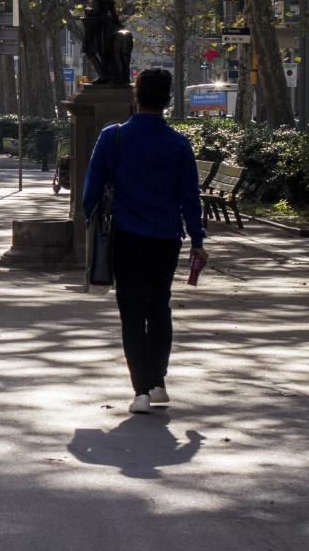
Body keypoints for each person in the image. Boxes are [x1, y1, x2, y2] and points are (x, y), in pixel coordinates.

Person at [80, 68, 207, 416]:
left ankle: (142, 390)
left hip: (126, 236)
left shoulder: (113, 137)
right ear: (168, 101)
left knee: (132, 311)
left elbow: (91, 191)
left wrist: (90, 222)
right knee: (159, 306)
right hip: (166, 238)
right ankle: (159, 379)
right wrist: (197, 239)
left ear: (135, 95)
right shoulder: (179, 144)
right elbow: (189, 198)